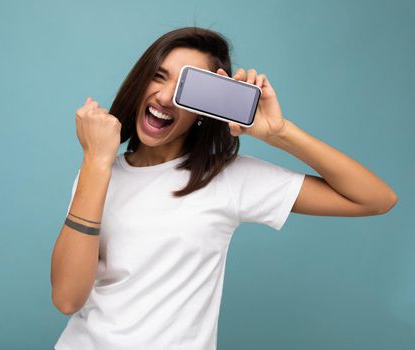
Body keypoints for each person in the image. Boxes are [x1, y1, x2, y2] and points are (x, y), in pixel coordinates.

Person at [50, 27, 398, 350]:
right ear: (139, 83)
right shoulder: (98, 172)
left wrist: (281, 133)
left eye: (186, 88)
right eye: (158, 76)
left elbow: (377, 199)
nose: (166, 97)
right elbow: (67, 297)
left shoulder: (228, 178)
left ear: (203, 109)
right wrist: (96, 163)